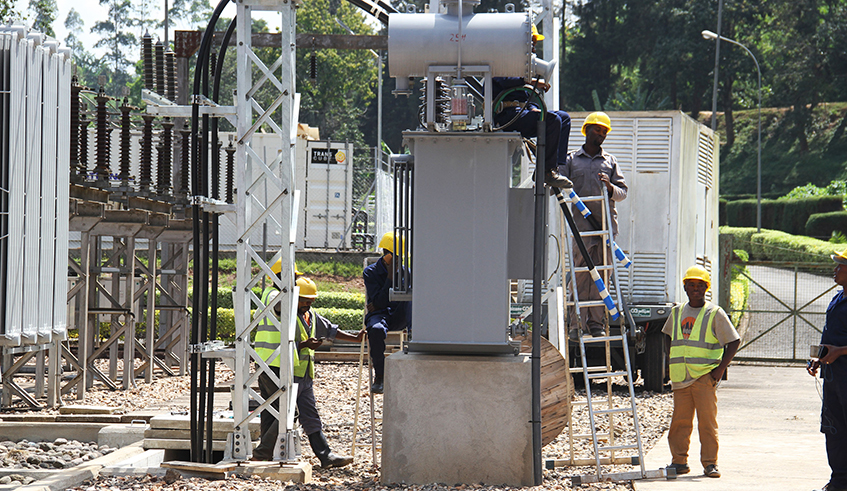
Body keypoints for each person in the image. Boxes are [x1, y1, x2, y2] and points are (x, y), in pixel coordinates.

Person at [253, 276, 364, 467]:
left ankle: (325, 456)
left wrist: (357, 339)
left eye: (311, 301)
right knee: (282, 412)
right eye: (304, 301)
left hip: (304, 373)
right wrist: (304, 344)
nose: (307, 305)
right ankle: (263, 453)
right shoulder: (284, 315)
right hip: (284, 370)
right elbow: (282, 344)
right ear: (295, 297)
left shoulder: (310, 316)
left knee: (309, 415)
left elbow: (330, 330)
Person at [662, 265, 740, 479]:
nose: (695, 289)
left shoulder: (714, 313)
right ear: (685, 288)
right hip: (680, 378)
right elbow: (668, 338)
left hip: (704, 377)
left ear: (706, 288)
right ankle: (679, 462)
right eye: (691, 285)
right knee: (679, 422)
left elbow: (734, 341)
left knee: (707, 422)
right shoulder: (677, 312)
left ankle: (710, 464)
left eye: (700, 285)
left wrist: (719, 371)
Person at [559, 112, 628, 338]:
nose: (602, 135)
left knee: (602, 276)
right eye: (598, 130)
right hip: (581, 230)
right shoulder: (571, 160)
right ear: (587, 130)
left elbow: (622, 193)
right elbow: (557, 182)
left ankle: (596, 324)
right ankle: (576, 324)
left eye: (604, 131)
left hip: (606, 231)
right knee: (580, 276)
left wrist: (609, 187)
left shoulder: (610, 161)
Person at [492, 24, 572, 189]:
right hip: (507, 116)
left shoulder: (521, 67)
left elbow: (525, 96)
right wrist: (529, 81)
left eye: (535, 41)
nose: (535, 45)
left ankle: (552, 168)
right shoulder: (501, 59)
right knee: (552, 120)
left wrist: (532, 109)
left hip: (519, 113)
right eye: (532, 41)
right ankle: (547, 171)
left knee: (564, 118)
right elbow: (504, 81)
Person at [808, 247, 847, 491]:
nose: (835, 269)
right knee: (834, 429)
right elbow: (829, 336)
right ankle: (839, 482)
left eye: (840, 265)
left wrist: (840, 351)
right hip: (833, 378)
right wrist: (820, 357)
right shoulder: (837, 299)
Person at [364, 232, 411, 394]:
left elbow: (379, 303)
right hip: (379, 316)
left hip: (398, 315)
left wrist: (377, 304)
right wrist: (390, 278)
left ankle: (414, 341)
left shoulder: (406, 273)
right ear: (387, 255)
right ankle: (380, 374)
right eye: (395, 256)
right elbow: (379, 303)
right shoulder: (371, 272)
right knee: (376, 330)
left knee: (411, 300)